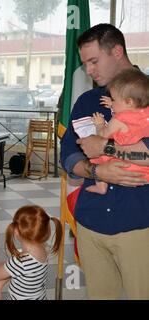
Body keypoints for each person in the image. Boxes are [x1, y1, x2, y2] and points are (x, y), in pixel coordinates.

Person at [60, 23, 149, 299]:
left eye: (93, 61)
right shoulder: (87, 101)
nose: (88, 70)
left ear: (118, 51)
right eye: (85, 63)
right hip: (92, 223)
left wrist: (108, 148)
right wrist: (97, 170)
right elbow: (67, 154)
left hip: (139, 223)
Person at [87, 69, 149, 194]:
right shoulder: (146, 111)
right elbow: (131, 113)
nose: (112, 102)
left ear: (128, 101)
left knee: (97, 156)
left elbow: (102, 136)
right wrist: (113, 104)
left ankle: (101, 186)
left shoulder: (118, 120)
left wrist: (99, 124)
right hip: (143, 169)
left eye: (114, 99)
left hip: (123, 167)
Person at [0, 205, 62, 300]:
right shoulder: (44, 249)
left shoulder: (21, 262)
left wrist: (6, 263)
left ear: (16, 231)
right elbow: (13, 272)